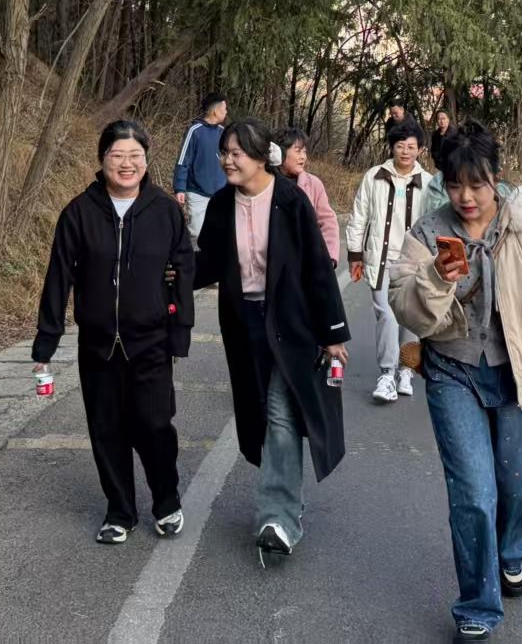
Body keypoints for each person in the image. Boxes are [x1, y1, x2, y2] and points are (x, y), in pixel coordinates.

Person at [389, 120, 522, 643]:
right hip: (451, 372)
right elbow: (404, 306)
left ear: (496, 177)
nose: (467, 197)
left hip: (516, 375)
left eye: (477, 184)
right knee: (474, 491)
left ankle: (510, 551)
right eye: (455, 185)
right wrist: (435, 278)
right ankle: (477, 604)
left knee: (517, 484)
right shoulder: (427, 233)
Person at [32, 120, 195, 545]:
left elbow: (183, 270)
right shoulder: (79, 213)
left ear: (146, 160)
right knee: (106, 429)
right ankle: (120, 511)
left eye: (134, 156)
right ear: (102, 159)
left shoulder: (164, 211)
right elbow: (58, 277)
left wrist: (180, 332)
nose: (126, 164)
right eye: (117, 155)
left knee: (155, 425)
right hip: (98, 344)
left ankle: (166, 501)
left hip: (151, 341)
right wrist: (46, 341)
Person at [194, 119, 349, 564]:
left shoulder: (290, 201)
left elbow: (317, 268)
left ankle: (277, 518)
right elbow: (206, 264)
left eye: (236, 153)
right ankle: (287, 501)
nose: (228, 161)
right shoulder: (222, 204)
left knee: (281, 413)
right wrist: (167, 275)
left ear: (262, 157)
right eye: (224, 153)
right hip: (243, 323)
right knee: (260, 413)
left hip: (290, 323)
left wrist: (333, 332)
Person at [347, 122, 431, 402]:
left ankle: (406, 369)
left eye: (411, 147)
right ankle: (387, 373)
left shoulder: (429, 183)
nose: (405, 152)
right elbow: (359, 216)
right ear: (391, 147)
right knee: (386, 314)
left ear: (420, 149)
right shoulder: (374, 176)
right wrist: (355, 254)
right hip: (380, 260)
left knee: (411, 317)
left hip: (415, 262)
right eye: (400, 146)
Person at [274, 126, 341, 266]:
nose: (303, 157)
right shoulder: (266, 182)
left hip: (305, 262)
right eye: (297, 151)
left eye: (304, 151)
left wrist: (329, 257)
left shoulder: (313, 184)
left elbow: (328, 221)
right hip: (274, 261)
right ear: (280, 152)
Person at [173, 92, 229, 239]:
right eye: (224, 108)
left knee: (219, 234)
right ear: (215, 111)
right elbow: (183, 160)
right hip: (197, 192)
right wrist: (180, 188)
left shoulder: (224, 133)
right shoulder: (195, 131)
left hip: (221, 193)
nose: (226, 112)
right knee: (198, 233)